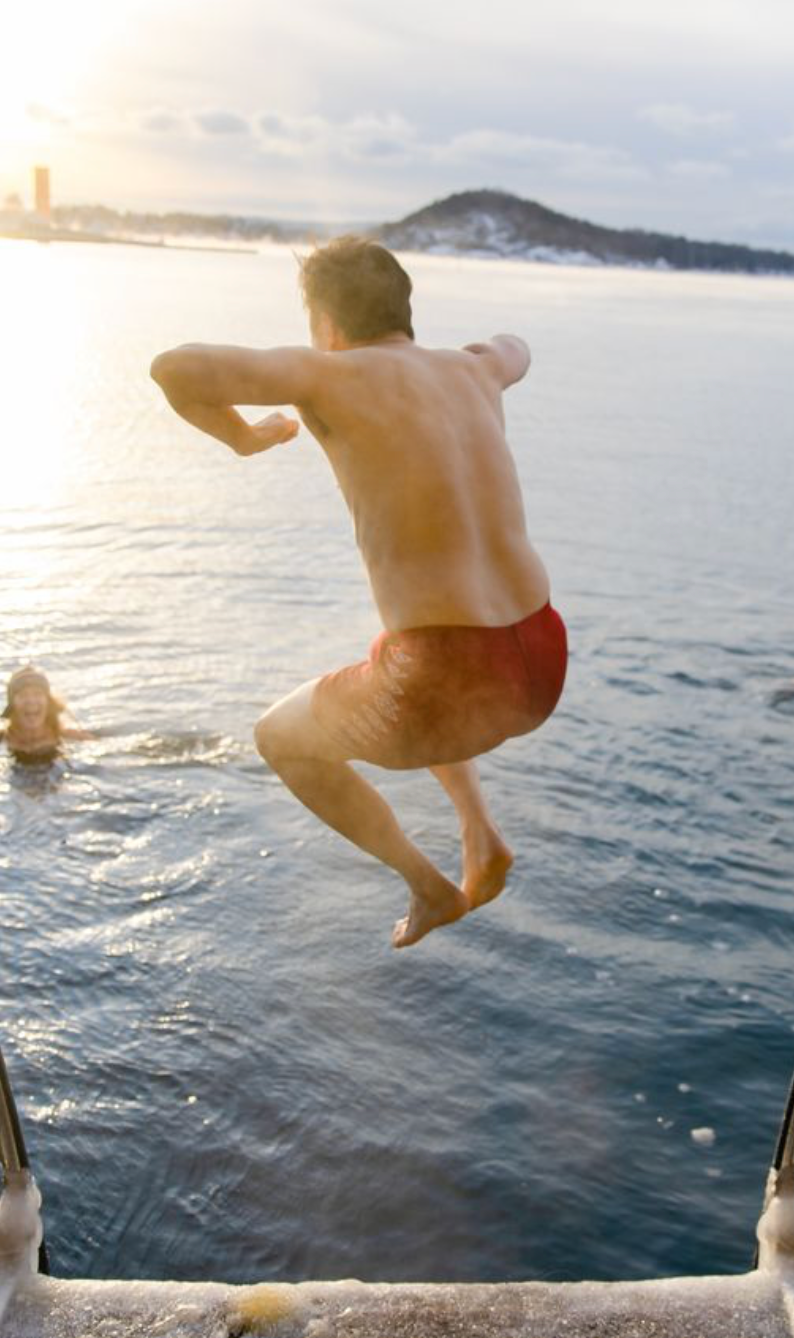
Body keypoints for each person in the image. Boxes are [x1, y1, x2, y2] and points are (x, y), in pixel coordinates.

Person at [149, 237, 565, 949]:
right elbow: (516, 345)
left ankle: (428, 885)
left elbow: (172, 369)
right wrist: (480, 355)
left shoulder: (325, 373)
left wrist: (245, 439)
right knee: (388, 654)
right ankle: (479, 830)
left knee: (281, 739)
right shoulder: (475, 371)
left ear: (328, 325)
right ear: (404, 309)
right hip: (541, 658)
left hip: (446, 677)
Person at [0, 665, 94, 758]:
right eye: (23, 695)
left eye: (37, 694)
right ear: (12, 705)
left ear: (49, 702)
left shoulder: (72, 737)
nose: (31, 701)